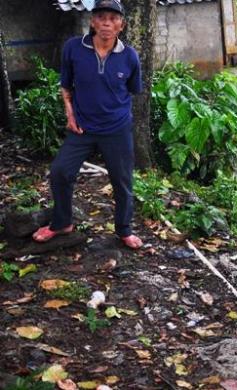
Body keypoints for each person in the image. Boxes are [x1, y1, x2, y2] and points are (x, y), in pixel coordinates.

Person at [32, 0, 143, 249]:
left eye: (113, 18)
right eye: (101, 17)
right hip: (82, 128)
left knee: (122, 181)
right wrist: (70, 115)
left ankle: (124, 230)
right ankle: (62, 222)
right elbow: (65, 85)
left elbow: (133, 91)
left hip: (117, 130)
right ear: (92, 21)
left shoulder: (129, 56)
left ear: (121, 25)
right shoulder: (74, 48)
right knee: (60, 171)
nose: (106, 22)